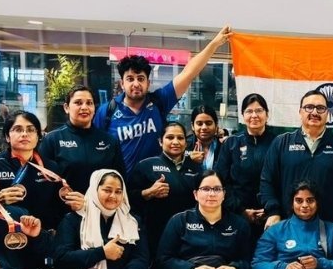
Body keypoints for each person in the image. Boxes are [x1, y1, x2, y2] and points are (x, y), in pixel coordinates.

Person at [95, 27, 232, 173]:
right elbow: (95, 149)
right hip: (120, 184)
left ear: (148, 83)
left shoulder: (159, 101)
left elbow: (189, 73)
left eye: (141, 79)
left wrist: (215, 43)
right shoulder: (107, 111)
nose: (136, 84)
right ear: (122, 83)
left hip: (158, 182)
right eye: (130, 79)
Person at [260, 89, 333, 234]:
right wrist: (273, 212)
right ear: (300, 112)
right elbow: (267, 181)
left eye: (320, 108)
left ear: (327, 113)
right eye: (309, 107)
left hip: (330, 229)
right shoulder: (281, 143)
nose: (314, 112)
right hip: (287, 228)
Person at [0, 110, 83, 231]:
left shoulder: (51, 167)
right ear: (7, 137)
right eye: (18, 129)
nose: (25, 134)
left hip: (41, 234)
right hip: (5, 234)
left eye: (31, 130)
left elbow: (59, 206)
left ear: (38, 136)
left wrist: (77, 204)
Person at [128, 121, 202, 257]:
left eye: (180, 138)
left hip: (189, 234)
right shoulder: (146, 166)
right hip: (155, 232)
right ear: (160, 141)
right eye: (170, 137)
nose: (175, 142)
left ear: (186, 143)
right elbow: (128, 198)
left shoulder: (197, 168)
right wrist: (148, 193)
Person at [38, 86, 126, 194]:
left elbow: (120, 181)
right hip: (65, 203)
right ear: (66, 107)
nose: (84, 107)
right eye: (78, 103)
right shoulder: (52, 140)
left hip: (101, 204)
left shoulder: (110, 141)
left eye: (89, 103)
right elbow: (42, 182)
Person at [217, 93, 275, 235]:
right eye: (249, 111)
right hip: (236, 215)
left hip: (271, 217)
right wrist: (241, 210)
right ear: (243, 115)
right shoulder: (231, 143)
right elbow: (221, 181)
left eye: (259, 110)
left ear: (267, 114)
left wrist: (273, 210)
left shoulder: (278, 143)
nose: (254, 115)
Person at [187, 105, 225, 171]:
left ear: (216, 125)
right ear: (192, 126)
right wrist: (189, 161)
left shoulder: (224, 148)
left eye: (209, 123)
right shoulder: (184, 146)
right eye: (199, 124)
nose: (204, 127)